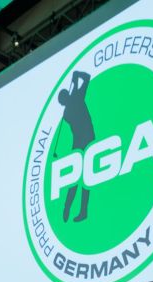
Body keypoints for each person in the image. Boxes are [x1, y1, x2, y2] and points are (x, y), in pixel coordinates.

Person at [57, 70, 95, 222]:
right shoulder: (76, 99)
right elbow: (87, 78)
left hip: (80, 142)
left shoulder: (66, 112)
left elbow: (87, 79)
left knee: (81, 178)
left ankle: (74, 208)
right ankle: (75, 208)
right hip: (85, 140)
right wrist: (77, 76)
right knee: (83, 178)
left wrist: (76, 79)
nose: (63, 104)